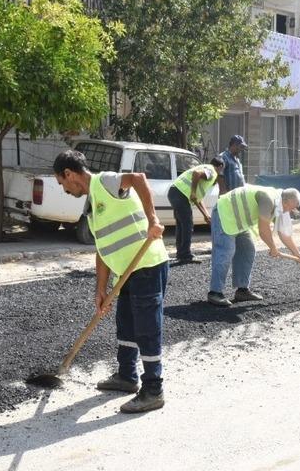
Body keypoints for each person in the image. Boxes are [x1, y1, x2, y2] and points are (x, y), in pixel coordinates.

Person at [53, 150, 169, 414]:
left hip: (147, 265)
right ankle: (127, 376)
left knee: (147, 329)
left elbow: (138, 178)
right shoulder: (91, 206)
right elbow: (102, 250)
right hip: (124, 272)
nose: (64, 190)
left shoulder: (105, 182)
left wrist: (153, 219)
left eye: (62, 183)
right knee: (126, 324)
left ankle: (153, 390)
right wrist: (100, 290)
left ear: (69, 174)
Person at [207, 185, 300, 307]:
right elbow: (263, 229)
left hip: (240, 221)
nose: (289, 212)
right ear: (285, 201)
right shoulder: (268, 199)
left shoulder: (281, 206)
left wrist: (297, 253)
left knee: (248, 250)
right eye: (289, 208)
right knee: (226, 251)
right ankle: (215, 292)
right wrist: (273, 248)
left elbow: (284, 233)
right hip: (225, 213)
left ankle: (242, 290)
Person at [167, 156, 225, 264]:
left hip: (174, 192)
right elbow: (196, 173)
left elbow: (197, 199)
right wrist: (193, 192)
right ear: (220, 166)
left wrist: (206, 215)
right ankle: (185, 256)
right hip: (181, 194)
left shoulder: (205, 167)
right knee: (187, 225)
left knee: (182, 225)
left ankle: (181, 254)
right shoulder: (212, 171)